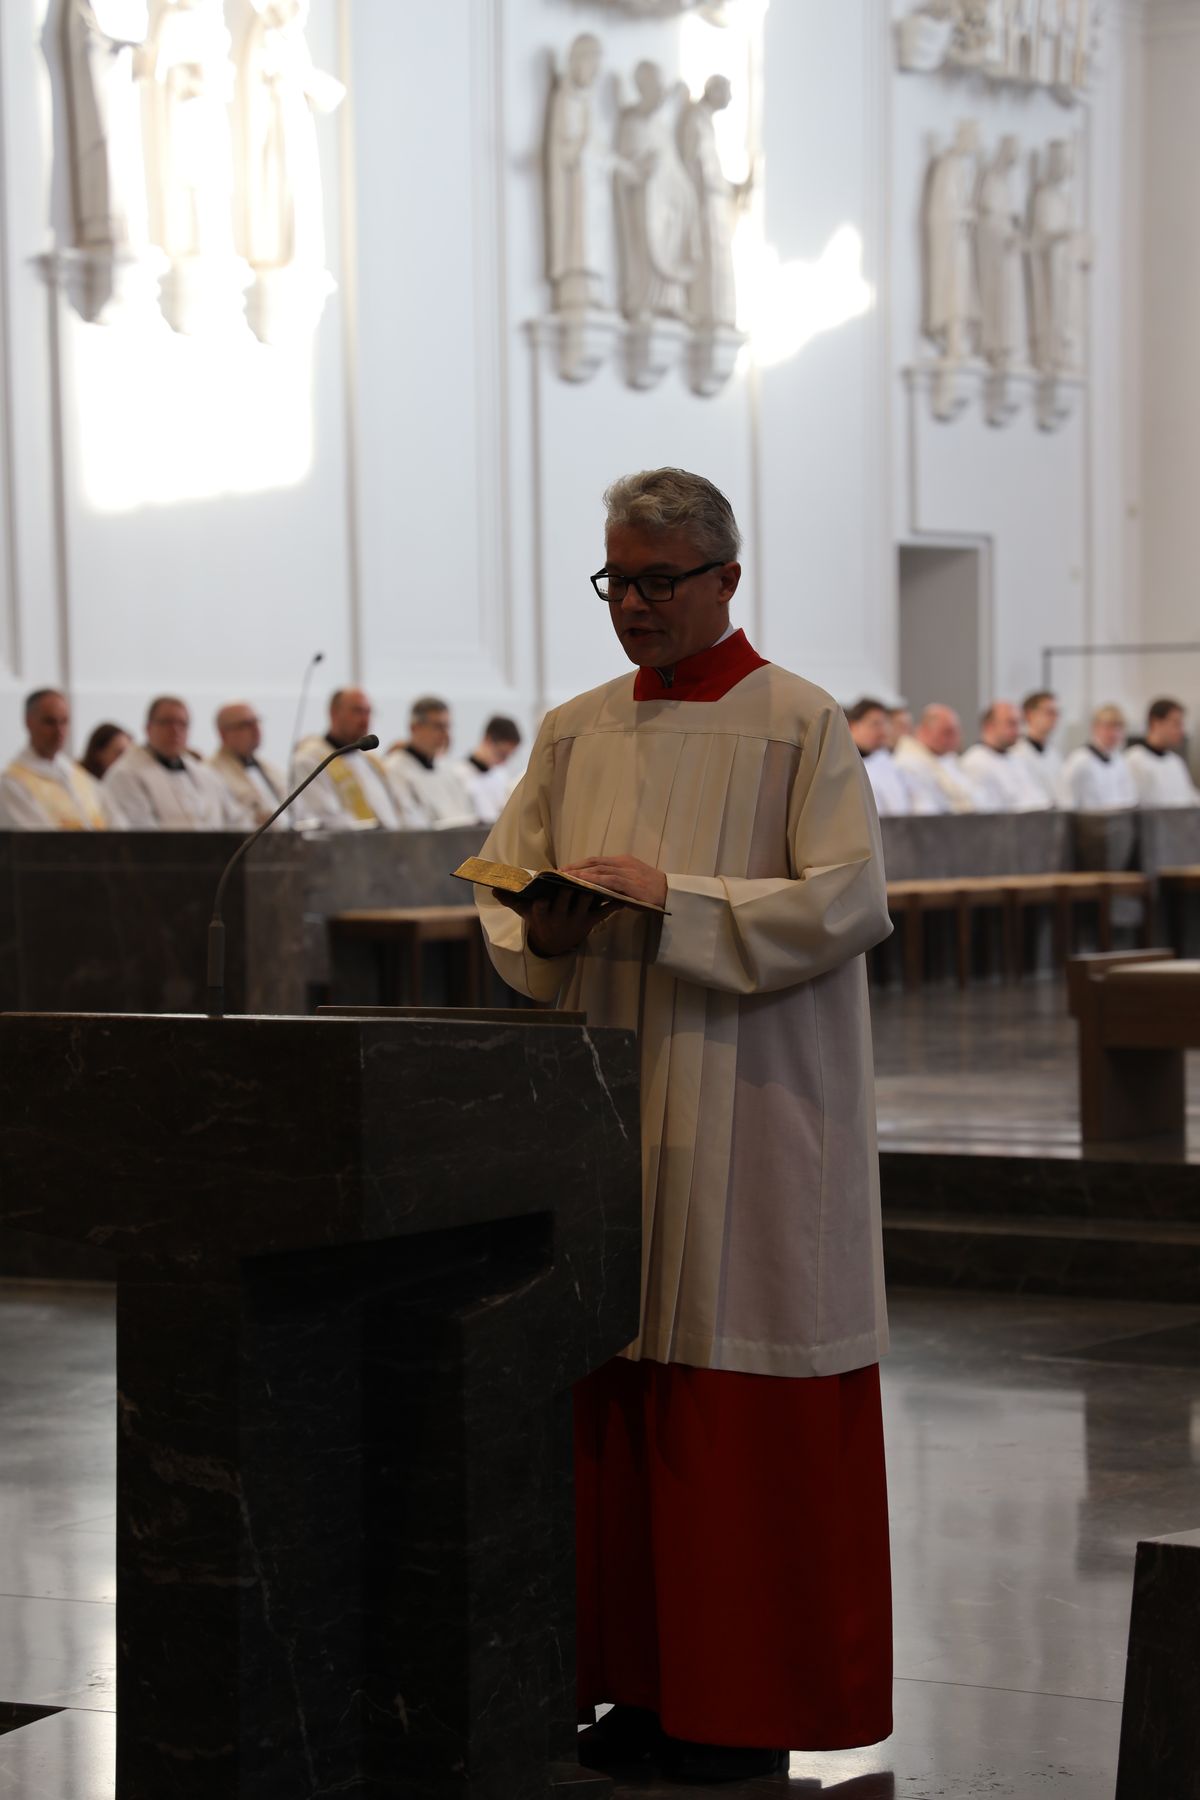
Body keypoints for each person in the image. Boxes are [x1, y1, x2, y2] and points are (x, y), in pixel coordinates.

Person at [475, 468, 893, 1784]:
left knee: (732, 1380)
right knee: (613, 1379)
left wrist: (677, 902)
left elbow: (848, 902)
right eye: (618, 580)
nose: (635, 605)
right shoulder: (575, 730)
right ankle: (635, 1688)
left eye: (660, 580)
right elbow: (506, 885)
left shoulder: (798, 722)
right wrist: (542, 931)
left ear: (726, 577)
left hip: (753, 1103)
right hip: (606, 1096)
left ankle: (740, 1701)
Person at [105, 695, 250, 830]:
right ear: (148, 728)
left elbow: (237, 821)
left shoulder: (206, 775)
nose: (175, 730)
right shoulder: (126, 774)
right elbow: (141, 832)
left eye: (182, 724)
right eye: (167, 723)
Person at [0, 688, 127, 830]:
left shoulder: (77, 775)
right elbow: (36, 837)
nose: (59, 731)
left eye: (64, 721)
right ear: (29, 722)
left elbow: (116, 821)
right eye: (50, 722)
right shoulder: (13, 783)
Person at [291, 687, 400, 829]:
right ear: (334, 713)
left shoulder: (371, 761)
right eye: (357, 711)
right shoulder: (311, 760)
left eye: (368, 712)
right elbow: (325, 817)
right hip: (351, 841)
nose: (365, 720)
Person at [385, 697, 475, 828]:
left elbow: (467, 814)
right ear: (415, 728)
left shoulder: (448, 770)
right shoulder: (394, 769)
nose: (445, 734)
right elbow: (409, 823)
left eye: (447, 726)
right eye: (438, 727)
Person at [960, 700, 1054, 811]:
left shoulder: (1017, 759)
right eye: (1011, 723)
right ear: (989, 726)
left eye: (1019, 723)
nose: (1018, 730)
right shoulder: (975, 762)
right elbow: (986, 810)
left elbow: (1038, 799)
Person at [208, 702, 288, 828]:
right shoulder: (210, 771)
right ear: (223, 733)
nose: (256, 730)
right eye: (245, 725)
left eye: (256, 722)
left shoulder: (270, 768)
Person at [893, 703, 977, 812]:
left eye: (956, 731)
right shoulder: (907, 765)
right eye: (947, 732)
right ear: (925, 731)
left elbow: (974, 798)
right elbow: (924, 810)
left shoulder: (948, 759)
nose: (955, 738)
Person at [1057, 705, 1139, 811]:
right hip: (1088, 819)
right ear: (1095, 728)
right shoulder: (1079, 760)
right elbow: (1066, 800)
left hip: (1118, 819)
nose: (1114, 733)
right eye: (1108, 727)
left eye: (1118, 728)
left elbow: (1130, 799)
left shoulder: (1120, 761)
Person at [1125, 698, 1200, 808]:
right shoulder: (1134, 760)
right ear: (1156, 723)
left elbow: (1191, 798)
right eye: (1176, 724)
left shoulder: (1175, 761)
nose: (1181, 731)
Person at [450, 715, 524, 825]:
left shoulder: (501, 775)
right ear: (488, 740)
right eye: (502, 754)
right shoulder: (458, 775)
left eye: (509, 756)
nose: (504, 762)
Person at [846, 696, 912, 816]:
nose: (882, 732)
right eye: (875, 724)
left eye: (884, 724)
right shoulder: (842, 764)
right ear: (852, 726)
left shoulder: (891, 763)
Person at [1011, 689, 1063, 806]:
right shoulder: (1015, 753)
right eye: (1049, 712)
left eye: (1057, 713)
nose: (1055, 718)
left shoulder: (1054, 753)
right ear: (1029, 715)